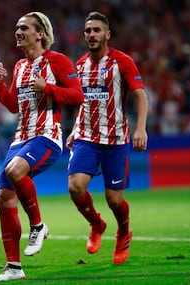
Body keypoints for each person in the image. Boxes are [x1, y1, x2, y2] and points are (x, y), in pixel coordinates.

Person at [0, 11, 84, 282]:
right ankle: (13, 267)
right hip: (21, 137)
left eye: (24, 28)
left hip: (47, 135)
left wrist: (49, 89)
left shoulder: (57, 60)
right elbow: (13, 106)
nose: (17, 32)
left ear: (40, 33)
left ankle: (38, 225)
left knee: (15, 171)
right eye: (16, 27)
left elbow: (78, 95)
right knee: (3, 198)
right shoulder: (19, 67)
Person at [66, 11, 148, 265]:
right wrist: (73, 129)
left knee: (114, 199)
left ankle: (123, 231)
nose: (91, 35)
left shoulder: (121, 62)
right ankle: (96, 224)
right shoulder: (79, 66)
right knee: (75, 186)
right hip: (86, 138)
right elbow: (83, 101)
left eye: (96, 30)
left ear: (107, 35)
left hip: (115, 140)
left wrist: (140, 128)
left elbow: (140, 96)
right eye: (88, 31)